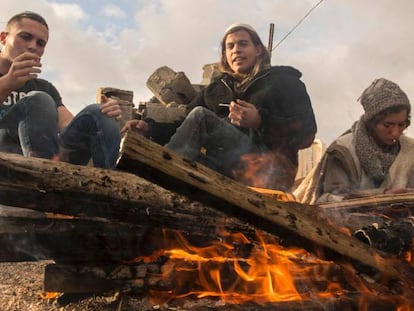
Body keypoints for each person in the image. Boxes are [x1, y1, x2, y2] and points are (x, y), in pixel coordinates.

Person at [123, 23, 316, 191]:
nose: (236, 50)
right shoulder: (216, 90)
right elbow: (185, 129)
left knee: (202, 117)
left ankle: (155, 180)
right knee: (191, 151)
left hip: (270, 174)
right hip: (225, 170)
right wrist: (150, 128)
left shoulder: (284, 83)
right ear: (225, 55)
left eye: (243, 44)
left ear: (258, 50)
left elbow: (307, 132)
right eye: (230, 46)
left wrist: (260, 121)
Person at [0, 11, 121, 168]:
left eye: (40, 43)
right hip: (6, 161)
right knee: (38, 99)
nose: (32, 46)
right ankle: (41, 176)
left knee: (98, 113)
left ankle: (108, 184)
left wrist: (107, 114)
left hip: (51, 158)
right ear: (3, 38)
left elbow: (67, 123)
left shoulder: (44, 87)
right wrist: (7, 83)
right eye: (25, 37)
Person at [294, 78, 414, 204]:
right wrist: (383, 196)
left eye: (401, 125)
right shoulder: (343, 151)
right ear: (372, 122)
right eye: (387, 125)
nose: (395, 132)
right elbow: (330, 200)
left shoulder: (410, 150)